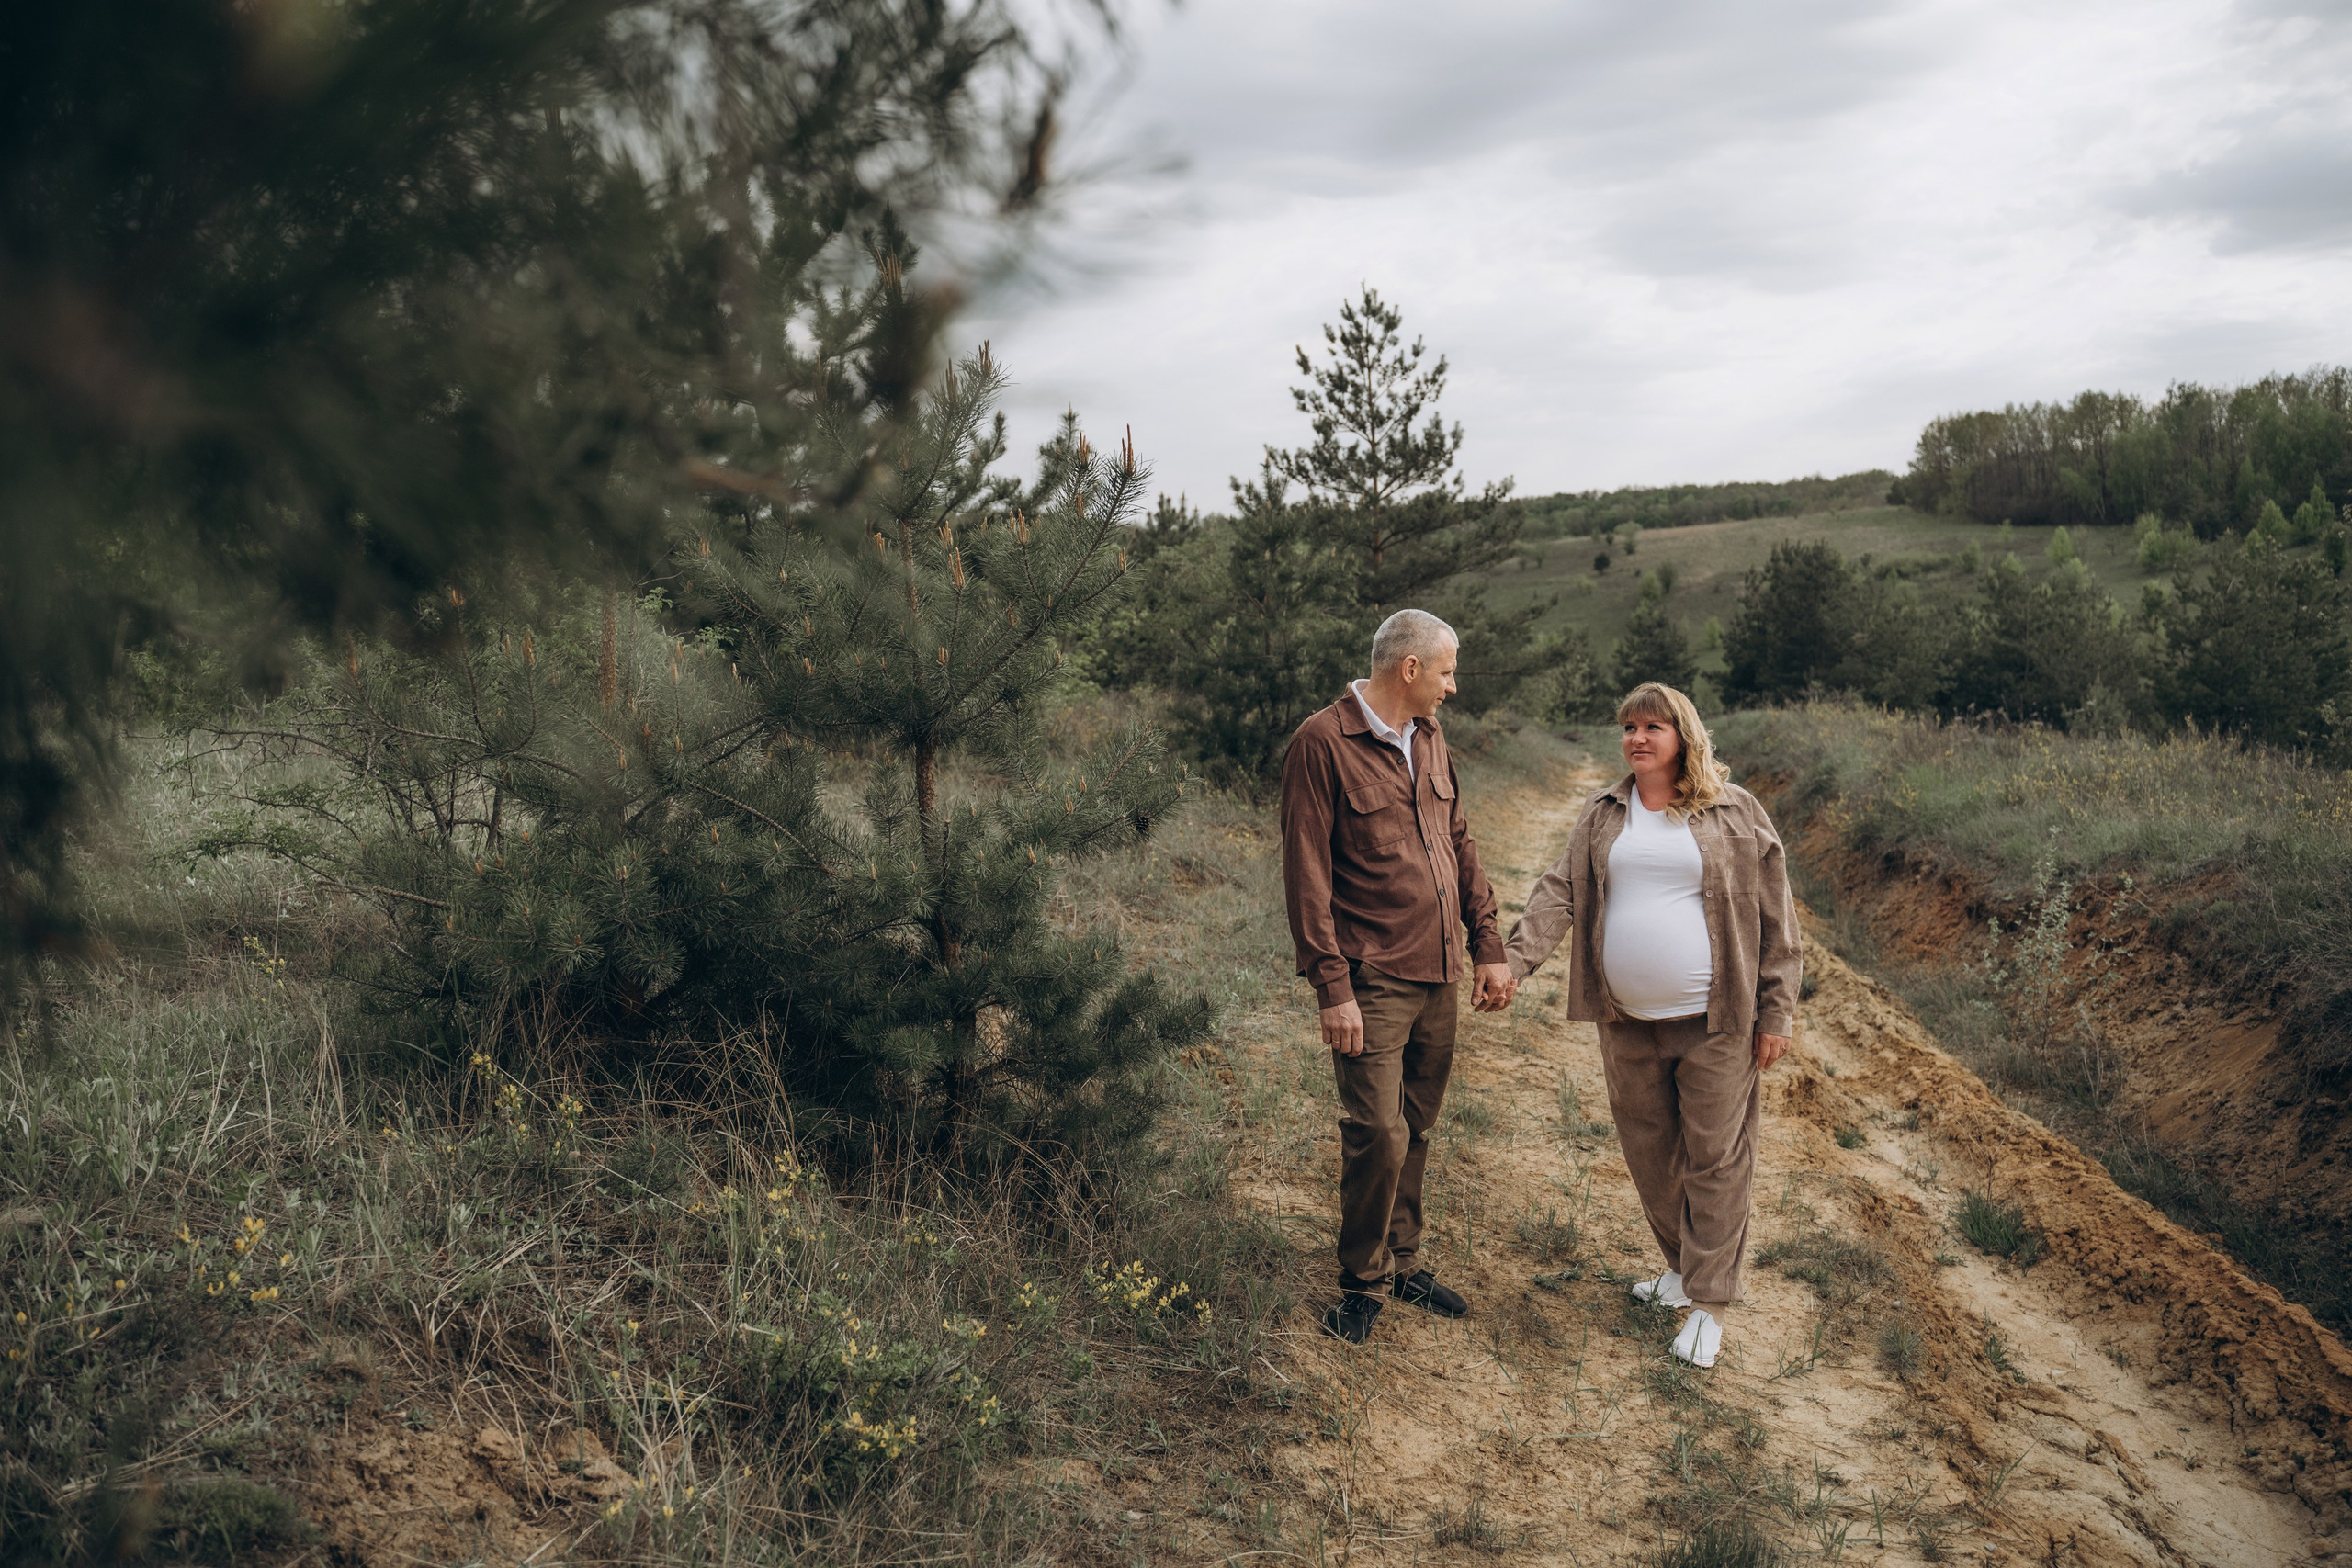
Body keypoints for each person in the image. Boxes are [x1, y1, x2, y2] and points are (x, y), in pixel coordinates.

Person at [1497, 682, 1799, 1368]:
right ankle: (1681, 1269)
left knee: (1716, 1158)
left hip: (1716, 1021)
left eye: (1652, 726)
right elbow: (1559, 889)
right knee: (1651, 1156)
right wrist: (1515, 962)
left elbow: (1779, 920)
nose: (1636, 737)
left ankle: (1709, 1305)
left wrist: (1775, 1010)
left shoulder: (1735, 810)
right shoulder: (1604, 813)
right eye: (1628, 726)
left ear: (1682, 735)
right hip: (1628, 1022)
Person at [1281, 608, 1516, 1344]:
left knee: (1416, 1126)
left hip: (1439, 969)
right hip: (1372, 976)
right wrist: (1333, 988)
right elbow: (1306, 874)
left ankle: (1403, 1259)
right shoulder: (1323, 743)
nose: (1453, 686)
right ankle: (1361, 1279)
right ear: (1409, 669)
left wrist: (1489, 944)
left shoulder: (1431, 737)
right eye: (1447, 671)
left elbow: (1460, 842)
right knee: (1376, 1130)